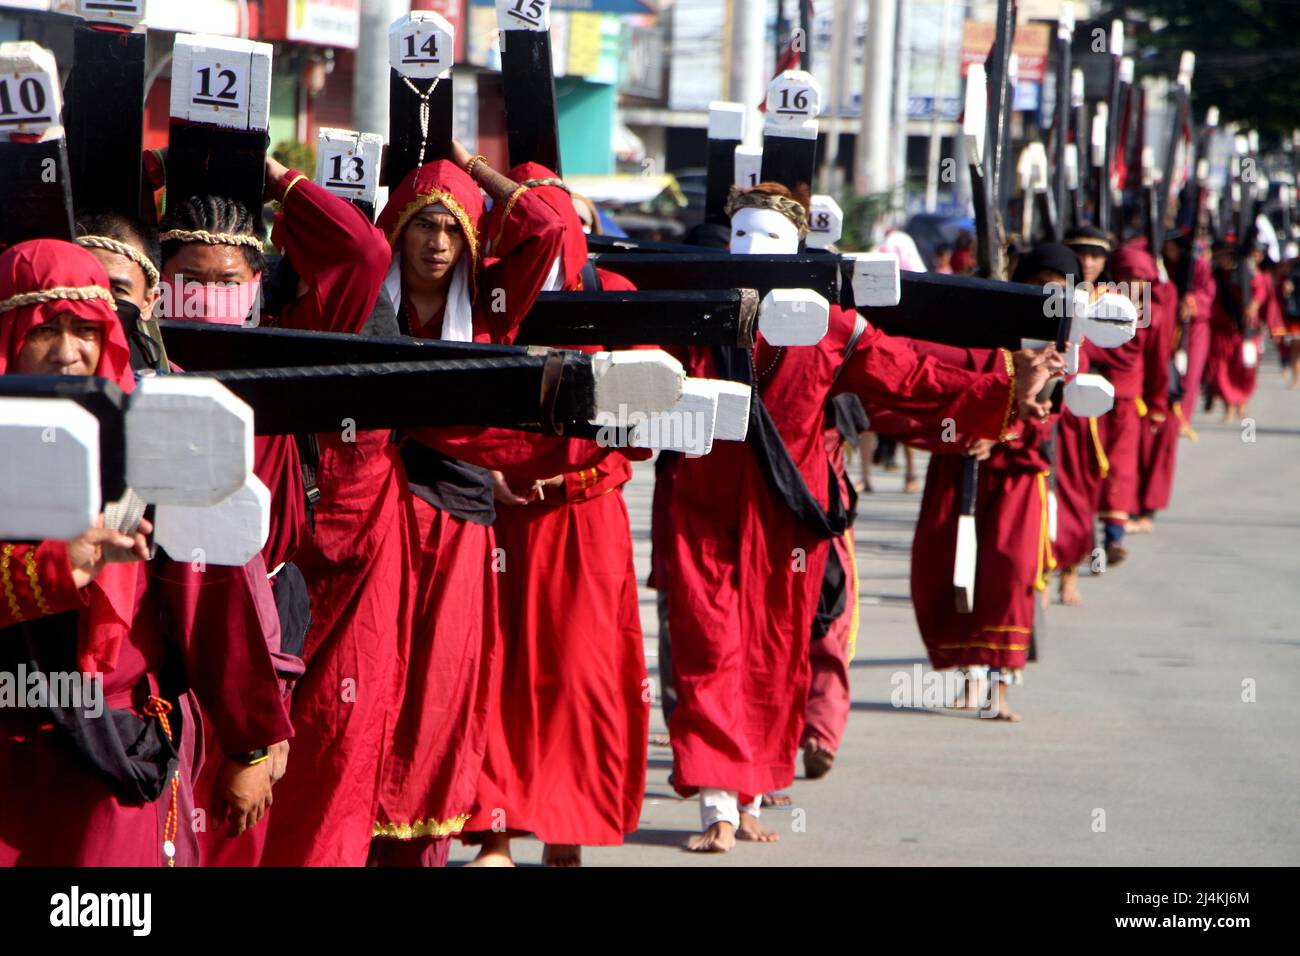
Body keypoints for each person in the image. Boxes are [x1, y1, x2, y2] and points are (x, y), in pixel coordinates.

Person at [666, 183, 1063, 852]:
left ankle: (753, 793)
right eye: (743, 241)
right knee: (709, 652)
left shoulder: (834, 328)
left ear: (794, 254)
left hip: (787, 519)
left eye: (767, 243)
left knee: (772, 654)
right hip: (702, 514)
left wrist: (1003, 385)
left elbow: (913, 376)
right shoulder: (687, 314)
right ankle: (715, 807)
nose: (752, 256)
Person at [0, 239, 291, 866]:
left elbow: (209, 597)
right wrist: (54, 568)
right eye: (46, 328)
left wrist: (250, 746)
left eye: (86, 329)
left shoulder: (154, 440)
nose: (69, 350)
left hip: (113, 750)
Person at [367, 147, 568, 867]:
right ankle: (356, 816)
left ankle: (423, 830)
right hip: (376, 513)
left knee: (444, 679)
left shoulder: (488, 306)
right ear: (397, 229)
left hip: (458, 515)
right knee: (376, 673)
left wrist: (470, 168)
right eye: (423, 224)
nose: (437, 243)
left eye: (452, 230)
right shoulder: (367, 300)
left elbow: (546, 227)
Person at [894, 243, 1080, 722]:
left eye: (1057, 290)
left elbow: (1055, 415)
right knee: (953, 572)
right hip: (961, 463)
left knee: (1007, 575)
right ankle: (969, 678)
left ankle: (1000, 688)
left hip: (1018, 475)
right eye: (1038, 286)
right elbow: (950, 386)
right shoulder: (983, 332)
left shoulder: (1070, 346)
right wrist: (970, 425)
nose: (1046, 297)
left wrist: (1008, 428)